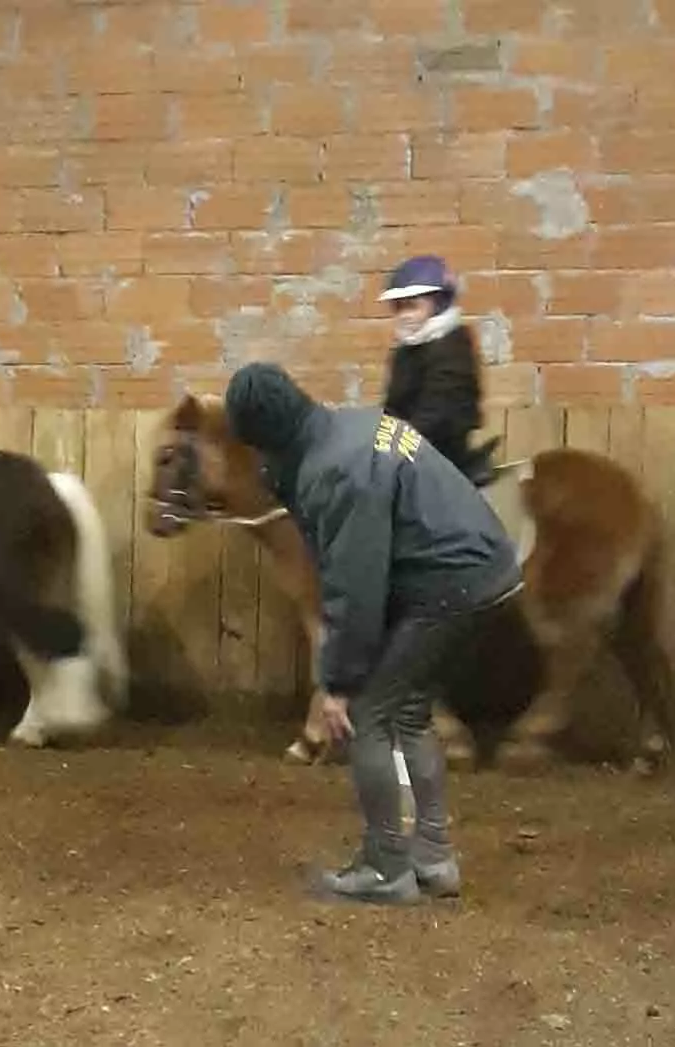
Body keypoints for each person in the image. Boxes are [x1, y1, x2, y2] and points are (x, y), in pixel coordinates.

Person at [223, 360, 522, 905]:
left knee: (369, 713)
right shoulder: (352, 427)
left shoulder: (336, 471)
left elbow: (355, 585)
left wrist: (337, 683)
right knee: (406, 711)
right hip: (482, 568)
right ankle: (431, 858)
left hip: (451, 582)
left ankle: (387, 869)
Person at [378, 254, 499, 487]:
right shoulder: (405, 351)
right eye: (399, 307)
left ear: (439, 304)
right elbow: (393, 406)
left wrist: (395, 446)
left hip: (442, 451)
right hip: (412, 445)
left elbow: (439, 413)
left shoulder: (453, 348)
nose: (405, 315)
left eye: (413, 306)